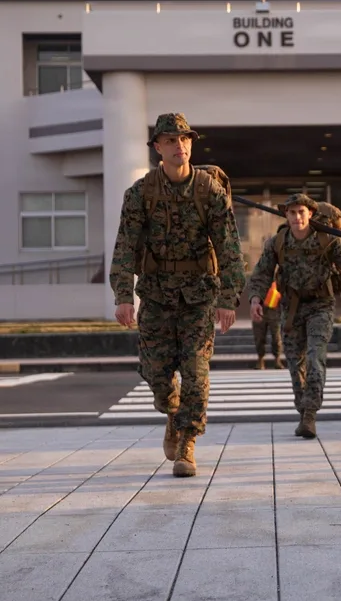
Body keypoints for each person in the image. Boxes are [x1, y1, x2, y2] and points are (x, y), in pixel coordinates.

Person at [109, 112, 246, 478]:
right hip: (155, 295)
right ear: (157, 148)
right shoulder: (140, 193)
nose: (179, 146)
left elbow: (230, 248)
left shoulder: (209, 190)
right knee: (156, 375)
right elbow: (125, 246)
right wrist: (124, 295)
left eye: (184, 139)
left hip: (199, 295)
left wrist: (228, 299)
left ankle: (187, 441)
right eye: (170, 140)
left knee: (196, 373)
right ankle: (172, 412)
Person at [248, 193, 341, 438]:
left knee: (314, 358)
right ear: (286, 215)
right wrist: (256, 299)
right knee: (294, 364)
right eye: (292, 212)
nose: (297, 217)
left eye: (302, 212)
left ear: (310, 214)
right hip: (290, 309)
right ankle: (303, 411)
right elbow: (262, 273)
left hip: (320, 306)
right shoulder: (278, 241)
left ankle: (310, 414)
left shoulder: (327, 241)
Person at [252, 280, 285, 370]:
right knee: (259, 337)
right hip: (260, 310)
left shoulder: (278, 277)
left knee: (276, 338)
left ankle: (277, 359)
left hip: (274, 312)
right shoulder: (258, 278)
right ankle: (260, 359)